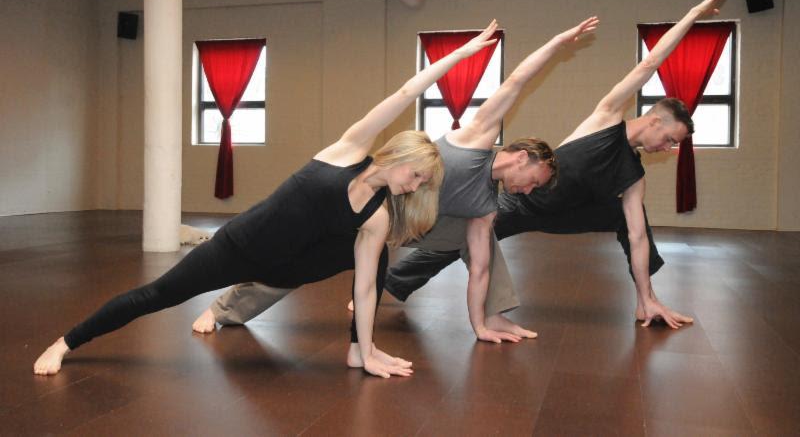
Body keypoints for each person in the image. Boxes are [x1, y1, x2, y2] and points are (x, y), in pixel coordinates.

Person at [32, 21, 502, 379]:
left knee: (375, 262)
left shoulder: (377, 217)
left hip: (289, 269)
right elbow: (405, 92)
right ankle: (66, 342)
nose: (415, 185)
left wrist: (369, 339)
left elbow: (362, 291)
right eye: (417, 175)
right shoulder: (347, 151)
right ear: (398, 156)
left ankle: (361, 350)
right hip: (238, 247)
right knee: (155, 296)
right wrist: (461, 54)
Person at [192, 16, 600, 343]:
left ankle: (493, 316)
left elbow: (479, 270)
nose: (529, 191)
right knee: (302, 259)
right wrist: (558, 43)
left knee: (484, 242)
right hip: (381, 212)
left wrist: (478, 326)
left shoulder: (486, 204)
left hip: (422, 226)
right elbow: (515, 83)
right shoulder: (477, 140)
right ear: (522, 157)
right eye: (534, 180)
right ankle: (223, 308)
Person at [386, 0, 734, 329]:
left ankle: (647, 301)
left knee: (632, 218)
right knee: (467, 237)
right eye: (671, 139)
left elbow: (638, 237)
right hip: (526, 203)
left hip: (572, 213)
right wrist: (695, 13)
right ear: (656, 121)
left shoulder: (634, 175)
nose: (668, 148)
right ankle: (390, 283)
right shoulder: (606, 118)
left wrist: (646, 296)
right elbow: (649, 64)